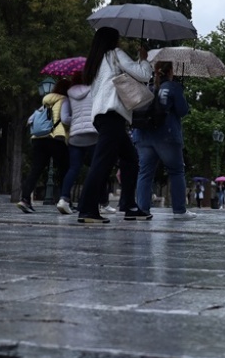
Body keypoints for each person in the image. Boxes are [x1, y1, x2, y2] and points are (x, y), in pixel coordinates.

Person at [75, 27, 152, 223]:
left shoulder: (95, 61)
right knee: (102, 162)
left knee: (130, 158)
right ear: (112, 40)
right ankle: (87, 209)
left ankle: (128, 205)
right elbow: (143, 75)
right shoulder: (114, 54)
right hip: (113, 114)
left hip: (103, 115)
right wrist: (143, 58)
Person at [135, 61, 194, 220]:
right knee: (176, 171)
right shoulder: (173, 87)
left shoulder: (148, 87)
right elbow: (182, 111)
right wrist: (179, 90)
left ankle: (142, 210)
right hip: (166, 136)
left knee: (145, 173)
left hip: (143, 136)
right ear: (170, 72)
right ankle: (179, 211)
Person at [18, 78, 70, 213]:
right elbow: (64, 119)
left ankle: (25, 199)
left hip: (38, 139)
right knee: (65, 170)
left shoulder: (46, 102)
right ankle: (64, 200)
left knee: (35, 170)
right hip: (55, 138)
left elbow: (31, 119)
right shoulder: (64, 100)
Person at [57, 72, 95, 214]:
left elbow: (65, 119)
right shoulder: (93, 92)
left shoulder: (67, 97)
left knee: (73, 169)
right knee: (97, 168)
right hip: (92, 135)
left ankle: (64, 199)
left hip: (75, 137)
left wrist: (77, 119)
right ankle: (99, 201)